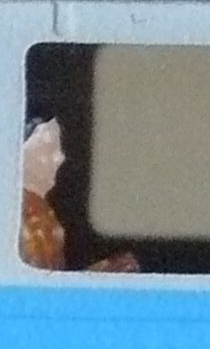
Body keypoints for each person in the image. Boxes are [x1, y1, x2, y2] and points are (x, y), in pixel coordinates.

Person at [18, 116, 137, 273]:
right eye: (49, 150)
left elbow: (54, 277)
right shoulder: (17, 210)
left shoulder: (42, 209)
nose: (59, 159)